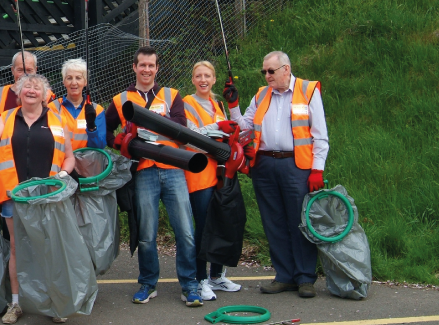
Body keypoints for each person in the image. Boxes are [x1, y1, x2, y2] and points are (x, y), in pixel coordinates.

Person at [225, 50, 328, 298]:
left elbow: (320, 135)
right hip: (265, 165)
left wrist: (317, 169)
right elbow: (244, 127)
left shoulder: (307, 90)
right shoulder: (261, 95)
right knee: (273, 222)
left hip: (296, 165)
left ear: (286, 69)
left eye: (271, 71)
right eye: (264, 72)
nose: (267, 76)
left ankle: (305, 278)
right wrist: (233, 105)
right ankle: (284, 275)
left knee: (298, 222)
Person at [106, 46, 202, 307]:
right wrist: (121, 144)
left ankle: (190, 285)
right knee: (147, 233)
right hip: (144, 172)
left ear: (157, 68)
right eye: (142, 65)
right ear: (134, 68)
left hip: (173, 171)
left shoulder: (171, 95)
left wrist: (159, 124)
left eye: (151, 65)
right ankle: (148, 283)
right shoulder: (121, 98)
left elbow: (182, 128)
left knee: (185, 231)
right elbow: (106, 129)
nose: (146, 69)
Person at [0, 73, 76, 324]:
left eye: (37, 87)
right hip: (15, 196)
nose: (31, 90)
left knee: (49, 248)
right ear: (19, 93)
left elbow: (69, 156)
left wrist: (64, 174)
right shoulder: (6, 117)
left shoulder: (58, 119)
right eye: (26, 87)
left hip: (48, 197)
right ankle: (16, 303)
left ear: (46, 95)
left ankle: (55, 302)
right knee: (17, 249)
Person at [182, 61, 243, 300]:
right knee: (204, 226)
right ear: (193, 79)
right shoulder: (187, 103)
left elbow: (226, 134)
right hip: (199, 173)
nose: (203, 80)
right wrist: (217, 128)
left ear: (214, 79)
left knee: (221, 222)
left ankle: (216, 275)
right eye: (199, 76)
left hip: (220, 173)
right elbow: (189, 137)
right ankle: (199, 279)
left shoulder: (218, 104)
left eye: (207, 75)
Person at [48, 58, 107, 150]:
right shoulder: (52, 109)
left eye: (78, 78)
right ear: (64, 82)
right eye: (69, 78)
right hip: (60, 162)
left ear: (85, 82)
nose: (74, 83)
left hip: (87, 163)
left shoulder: (97, 110)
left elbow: (100, 146)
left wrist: (92, 127)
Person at [0, 51, 55, 118]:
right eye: (20, 70)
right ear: (12, 70)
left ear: (35, 70)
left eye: (29, 70)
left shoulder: (46, 95)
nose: (24, 75)